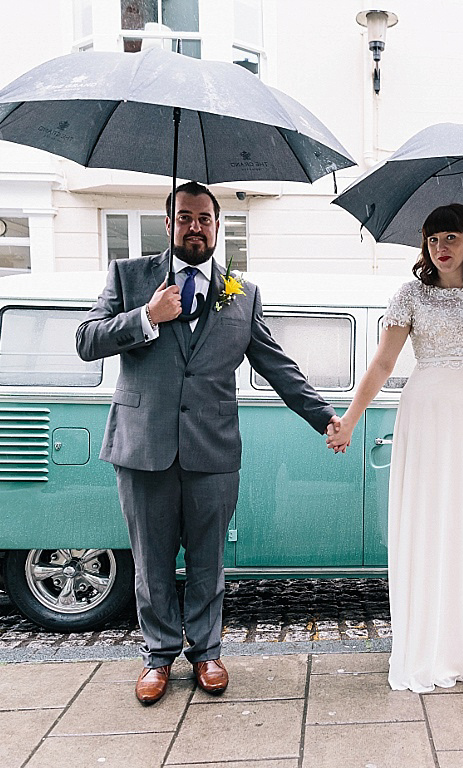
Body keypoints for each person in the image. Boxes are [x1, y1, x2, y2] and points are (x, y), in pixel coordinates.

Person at [76, 181, 340, 704]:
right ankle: (157, 657)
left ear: (218, 227)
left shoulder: (240, 291)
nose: (194, 226)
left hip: (212, 450)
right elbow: (87, 339)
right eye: (184, 216)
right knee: (151, 560)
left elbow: (274, 362)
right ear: (169, 222)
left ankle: (207, 652)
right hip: (143, 446)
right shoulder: (129, 277)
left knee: (208, 558)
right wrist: (147, 317)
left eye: (204, 218)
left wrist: (324, 415)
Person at [326, 203, 463, 692]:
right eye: (432, 240)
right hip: (426, 414)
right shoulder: (410, 295)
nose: (441, 249)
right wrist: (348, 419)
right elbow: (383, 365)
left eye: (450, 238)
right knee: (432, 523)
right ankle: (435, 643)